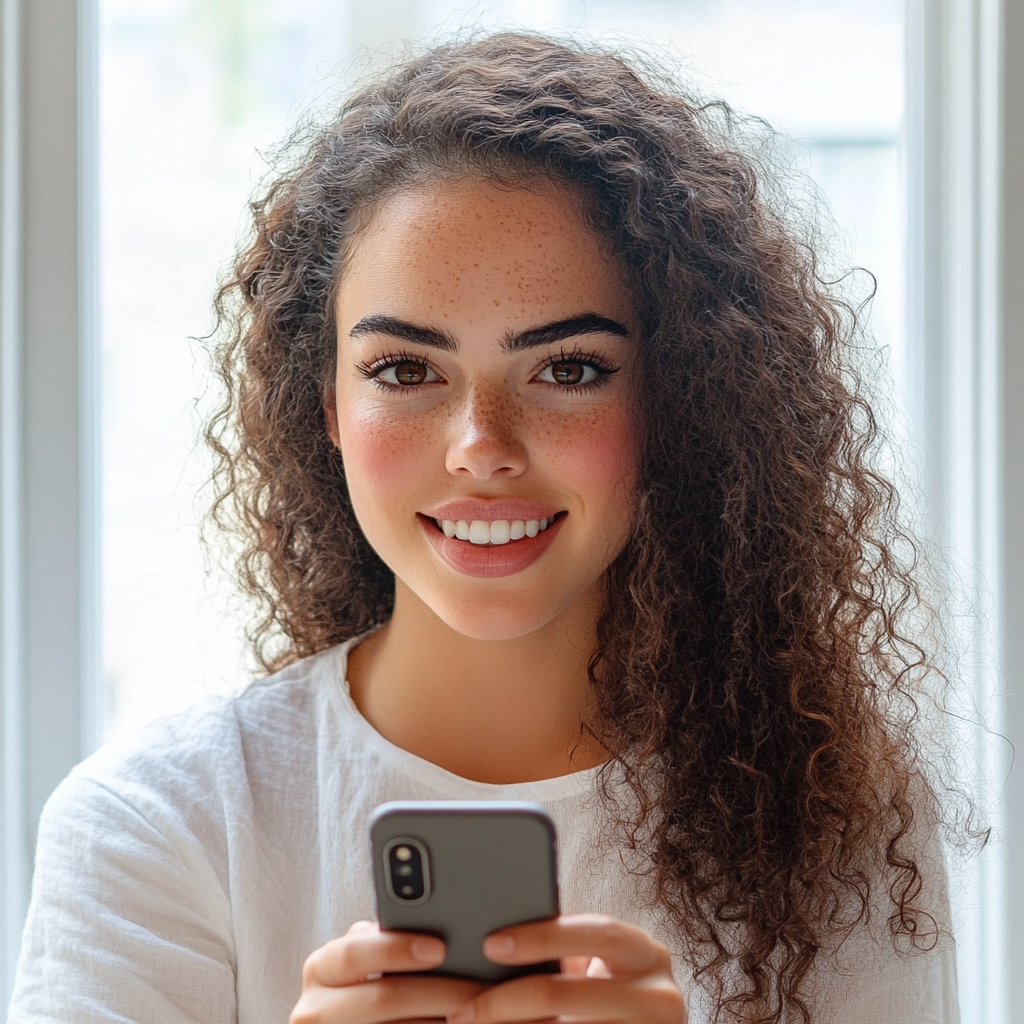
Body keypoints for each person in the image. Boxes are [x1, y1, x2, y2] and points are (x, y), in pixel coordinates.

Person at [9, 33, 959, 1024]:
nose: (480, 446)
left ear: (679, 399)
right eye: (406, 371)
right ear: (326, 403)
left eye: (568, 369)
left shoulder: (831, 822)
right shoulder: (157, 826)